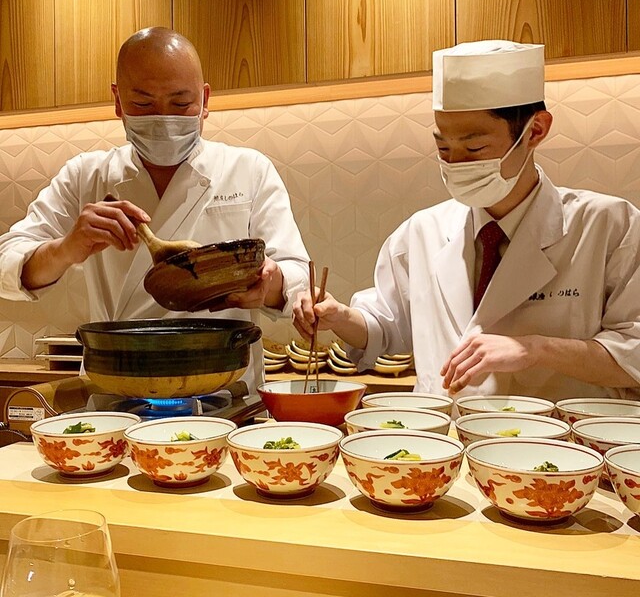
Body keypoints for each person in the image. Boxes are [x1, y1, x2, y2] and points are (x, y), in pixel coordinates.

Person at [293, 40, 640, 402]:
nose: (456, 164)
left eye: (475, 149)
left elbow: (634, 352)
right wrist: (340, 317)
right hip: (443, 432)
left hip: (560, 433)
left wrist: (536, 349)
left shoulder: (610, 226)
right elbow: (385, 327)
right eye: (443, 148)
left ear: (535, 131)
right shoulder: (421, 232)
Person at [0, 26, 309, 393]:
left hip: (225, 388)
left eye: (180, 103)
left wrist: (269, 284)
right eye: (143, 104)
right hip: (116, 387)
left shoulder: (249, 169)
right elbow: (6, 264)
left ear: (205, 100)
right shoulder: (86, 176)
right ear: (118, 101)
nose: (163, 118)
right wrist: (66, 249)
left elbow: (297, 277)